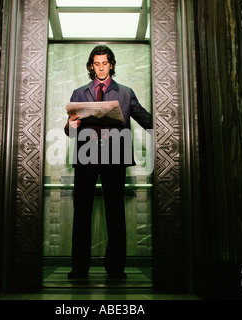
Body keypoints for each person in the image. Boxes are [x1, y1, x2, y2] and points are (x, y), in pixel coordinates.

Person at [64, 45, 152, 279]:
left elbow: (146, 119)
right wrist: (69, 127)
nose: (101, 67)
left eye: (105, 63)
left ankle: (115, 268)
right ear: (91, 66)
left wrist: (172, 128)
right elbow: (70, 129)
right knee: (82, 212)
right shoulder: (79, 93)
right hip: (86, 157)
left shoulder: (125, 93)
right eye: (97, 63)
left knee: (115, 213)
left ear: (111, 64)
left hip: (115, 157)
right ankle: (80, 267)